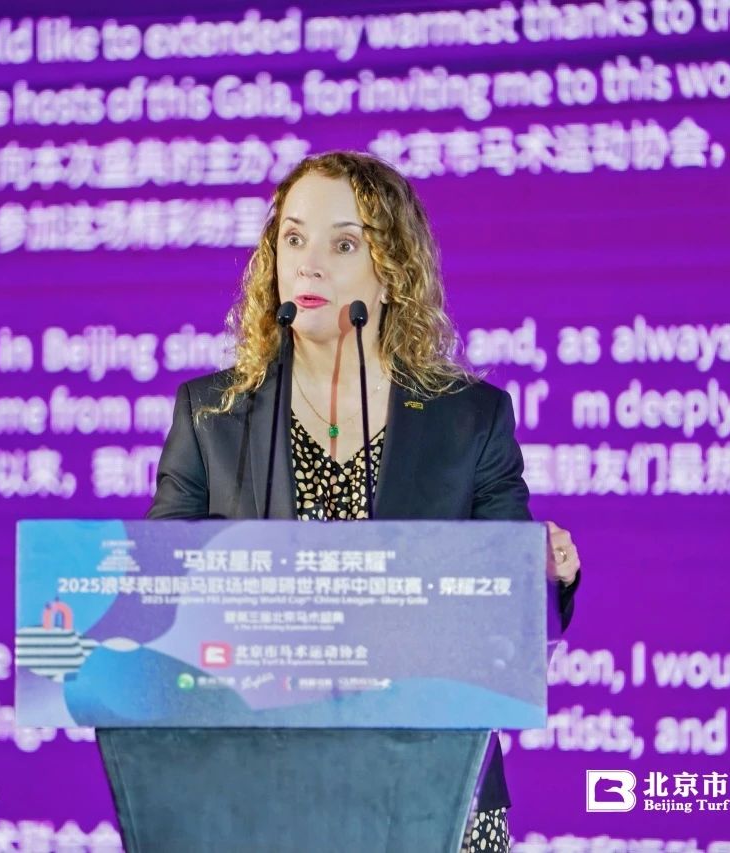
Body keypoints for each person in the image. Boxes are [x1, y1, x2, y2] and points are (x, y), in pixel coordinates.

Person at [147, 151, 581, 853]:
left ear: (391, 270)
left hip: (434, 789)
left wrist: (544, 575)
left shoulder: (469, 419)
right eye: (294, 239)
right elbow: (159, 592)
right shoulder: (213, 415)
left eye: (343, 244)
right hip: (255, 792)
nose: (310, 265)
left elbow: (509, 623)